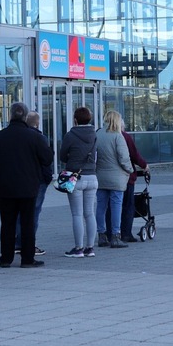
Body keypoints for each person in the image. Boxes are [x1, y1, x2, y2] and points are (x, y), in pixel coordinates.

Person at [0, 101, 53, 268]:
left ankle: (6, 258)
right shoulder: (34, 136)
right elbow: (47, 158)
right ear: (26, 116)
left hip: (6, 186)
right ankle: (27, 258)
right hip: (28, 186)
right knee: (27, 222)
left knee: (7, 223)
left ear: (10, 115)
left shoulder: (0, 136)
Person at [60, 106, 99, 257]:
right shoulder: (95, 135)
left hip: (75, 177)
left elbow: (63, 156)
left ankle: (78, 248)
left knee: (77, 214)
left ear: (75, 120)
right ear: (90, 119)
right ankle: (90, 248)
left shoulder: (70, 135)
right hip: (92, 177)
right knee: (89, 213)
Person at [94, 110, 134, 248]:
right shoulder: (118, 136)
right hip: (116, 177)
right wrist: (130, 170)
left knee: (101, 206)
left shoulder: (98, 134)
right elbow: (124, 157)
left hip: (100, 176)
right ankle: (116, 236)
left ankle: (101, 235)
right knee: (116, 206)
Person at [118, 126, 148, 243]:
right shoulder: (124, 136)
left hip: (105, 179)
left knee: (110, 206)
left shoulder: (100, 136)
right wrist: (144, 166)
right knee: (128, 205)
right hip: (125, 176)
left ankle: (108, 233)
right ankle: (125, 233)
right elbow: (134, 155)